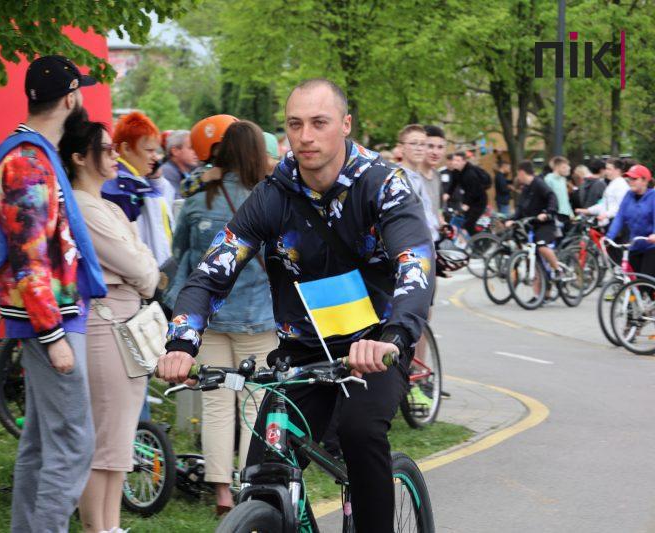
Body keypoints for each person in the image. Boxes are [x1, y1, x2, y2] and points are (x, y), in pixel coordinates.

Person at [159, 78, 433, 532]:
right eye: (295, 124)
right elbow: (212, 271)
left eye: (319, 123)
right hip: (304, 353)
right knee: (263, 474)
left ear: (345, 125)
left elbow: (414, 264)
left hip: (375, 346)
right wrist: (181, 343)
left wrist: (396, 335)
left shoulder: (383, 185)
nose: (306, 136)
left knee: (360, 433)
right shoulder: (273, 194)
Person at [0, 55, 105, 532]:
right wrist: (52, 334)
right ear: (71, 97)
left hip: (50, 314)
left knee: (41, 445)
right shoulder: (27, 162)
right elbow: (29, 256)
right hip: (50, 319)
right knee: (74, 444)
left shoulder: (33, 155)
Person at [168, 120, 277, 515]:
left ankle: (221, 496)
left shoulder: (198, 198)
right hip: (258, 318)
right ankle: (251, 491)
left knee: (216, 404)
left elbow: (179, 251)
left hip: (208, 317)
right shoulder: (268, 198)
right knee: (255, 403)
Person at [59, 117, 160, 533]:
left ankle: (110, 526)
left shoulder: (110, 206)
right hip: (106, 325)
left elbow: (147, 264)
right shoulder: (83, 207)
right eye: (106, 148)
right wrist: (142, 271)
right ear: (80, 158)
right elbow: (141, 266)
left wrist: (142, 270)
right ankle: (97, 527)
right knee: (105, 440)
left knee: (119, 439)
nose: (115, 155)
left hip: (125, 320)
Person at [102, 111, 173, 270]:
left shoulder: (137, 182)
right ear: (126, 148)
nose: (155, 157)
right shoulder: (121, 187)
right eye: (149, 150)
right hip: (142, 277)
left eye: (156, 151)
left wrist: (155, 180)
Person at [505, 160, 561, 274]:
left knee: (541, 246)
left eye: (517, 174)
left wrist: (547, 213)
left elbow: (552, 197)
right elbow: (520, 208)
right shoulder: (526, 188)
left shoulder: (539, 183)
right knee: (536, 263)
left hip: (545, 224)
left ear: (521, 172)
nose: (517, 176)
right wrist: (511, 219)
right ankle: (542, 288)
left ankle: (558, 269)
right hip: (533, 225)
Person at [606, 164, 655, 277]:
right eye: (629, 179)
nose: (630, 181)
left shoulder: (653, 197)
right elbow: (620, 216)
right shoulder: (628, 195)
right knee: (632, 280)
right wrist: (609, 237)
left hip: (651, 247)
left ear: (645, 181)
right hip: (635, 245)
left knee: (645, 281)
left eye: (634, 179)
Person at [398, 124, 439, 240]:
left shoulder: (418, 177)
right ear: (402, 148)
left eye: (423, 144)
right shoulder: (398, 179)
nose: (419, 148)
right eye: (413, 143)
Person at [443, 151, 488, 235]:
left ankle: (481, 243)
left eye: (458, 160)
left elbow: (474, 192)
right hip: (469, 200)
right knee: (464, 221)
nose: (455, 162)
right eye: (454, 160)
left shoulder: (470, 174)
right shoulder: (456, 171)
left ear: (464, 161)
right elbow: (453, 184)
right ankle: (471, 242)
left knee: (468, 225)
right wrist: (447, 194)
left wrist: (466, 204)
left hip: (479, 202)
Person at [575, 157, 629, 224]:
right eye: (606, 168)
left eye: (609, 169)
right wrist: (587, 211)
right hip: (609, 223)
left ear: (617, 170)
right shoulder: (612, 184)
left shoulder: (621, 186)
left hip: (615, 225)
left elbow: (621, 208)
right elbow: (603, 205)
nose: (606, 171)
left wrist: (606, 215)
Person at [161, 130, 198, 200]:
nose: (196, 151)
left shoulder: (191, 171)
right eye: (191, 148)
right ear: (175, 151)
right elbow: (179, 205)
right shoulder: (167, 172)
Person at [422, 125, 446, 228]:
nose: (435, 152)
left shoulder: (437, 175)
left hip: (434, 239)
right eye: (430, 146)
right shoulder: (409, 176)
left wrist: (442, 223)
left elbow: (437, 209)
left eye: (440, 147)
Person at [544, 156, 574, 225]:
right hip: (556, 214)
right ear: (557, 167)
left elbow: (565, 199)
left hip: (566, 215)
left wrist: (571, 214)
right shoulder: (548, 180)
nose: (568, 169)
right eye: (564, 167)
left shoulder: (563, 179)